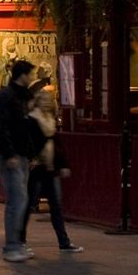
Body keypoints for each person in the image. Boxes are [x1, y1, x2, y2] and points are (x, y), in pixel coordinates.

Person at [20, 88, 83, 254]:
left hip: (50, 168)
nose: (47, 103)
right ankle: (19, 241)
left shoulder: (51, 120)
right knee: (29, 205)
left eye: (50, 100)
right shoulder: (32, 120)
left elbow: (57, 145)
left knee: (56, 206)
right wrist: (32, 157)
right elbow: (28, 141)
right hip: (37, 167)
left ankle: (64, 242)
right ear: (38, 101)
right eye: (44, 100)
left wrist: (63, 165)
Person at [0, 59, 39, 262]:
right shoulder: (7, 97)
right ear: (23, 75)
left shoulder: (23, 97)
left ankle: (18, 243)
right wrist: (8, 153)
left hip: (22, 154)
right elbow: (1, 127)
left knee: (22, 200)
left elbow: (26, 127)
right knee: (17, 201)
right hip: (13, 156)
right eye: (31, 74)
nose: (33, 78)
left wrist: (31, 153)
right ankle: (12, 246)